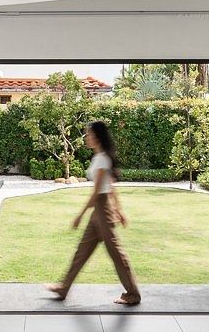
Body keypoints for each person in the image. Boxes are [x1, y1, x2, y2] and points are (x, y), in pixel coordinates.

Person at [47, 121, 141, 306]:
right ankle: (63, 288)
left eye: (89, 134)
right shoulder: (100, 157)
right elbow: (111, 185)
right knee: (81, 252)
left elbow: (99, 191)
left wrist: (80, 215)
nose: (86, 137)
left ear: (97, 137)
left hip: (102, 212)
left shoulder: (101, 159)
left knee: (117, 254)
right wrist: (119, 210)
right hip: (101, 212)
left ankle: (133, 294)